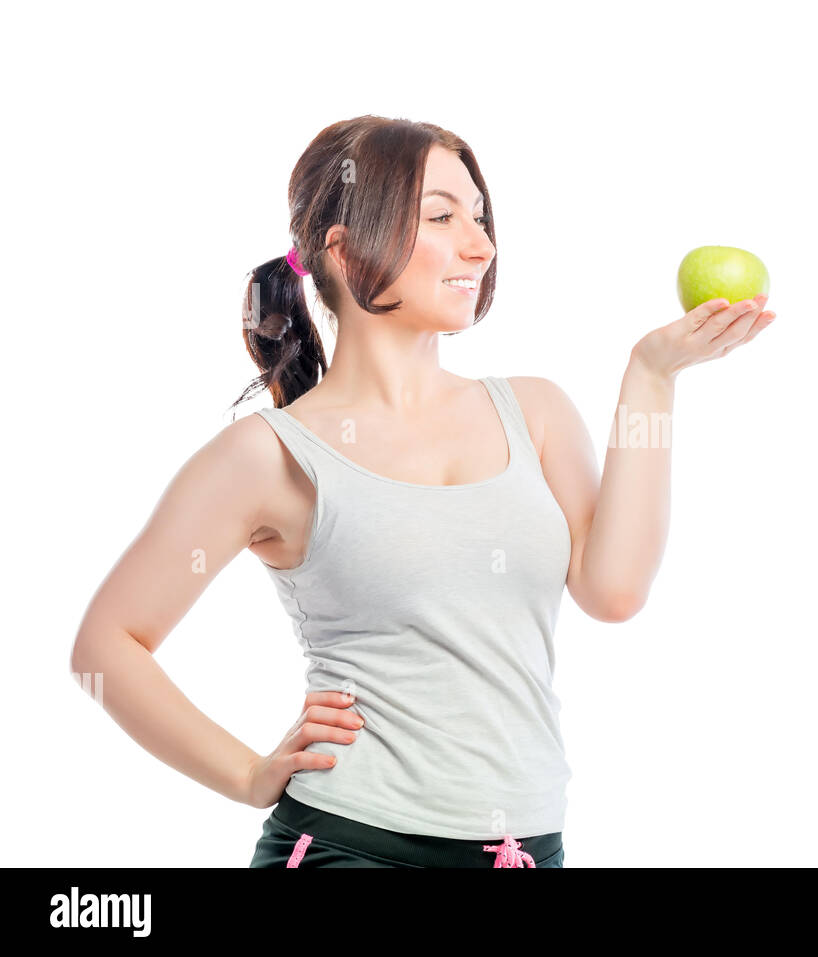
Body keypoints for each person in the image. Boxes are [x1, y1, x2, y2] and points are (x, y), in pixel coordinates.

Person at [68, 114, 776, 868]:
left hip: (525, 848)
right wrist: (248, 774)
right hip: (347, 841)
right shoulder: (270, 455)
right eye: (442, 216)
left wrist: (652, 378)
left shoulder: (533, 413)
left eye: (479, 215)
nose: (481, 243)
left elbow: (615, 589)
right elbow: (104, 648)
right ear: (341, 248)